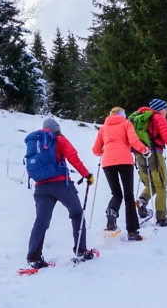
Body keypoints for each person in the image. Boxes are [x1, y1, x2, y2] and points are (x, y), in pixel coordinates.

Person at [26, 118, 96, 269]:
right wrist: (87, 175)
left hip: (41, 187)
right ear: (57, 128)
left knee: (41, 221)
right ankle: (81, 251)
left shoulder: (36, 144)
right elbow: (73, 158)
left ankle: (34, 257)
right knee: (77, 214)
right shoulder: (59, 139)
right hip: (60, 184)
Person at [92, 107, 149, 241]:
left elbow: (95, 150)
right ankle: (132, 231)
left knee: (116, 194)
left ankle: (112, 211)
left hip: (108, 162)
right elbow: (134, 141)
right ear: (123, 115)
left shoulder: (103, 128)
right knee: (128, 195)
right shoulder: (126, 124)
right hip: (124, 161)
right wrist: (145, 150)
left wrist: (104, 151)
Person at [132, 99, 167, 226]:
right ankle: (161, 218)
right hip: (154, 155)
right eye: (166, 108)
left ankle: (142, 201)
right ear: (159, 109)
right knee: (161, 185)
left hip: (139, 155)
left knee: (150, 184)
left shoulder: (139, 118)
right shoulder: (159, 118)